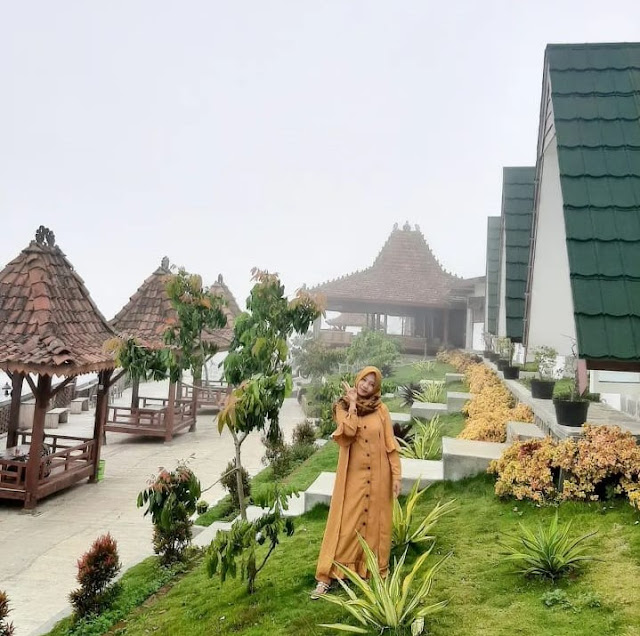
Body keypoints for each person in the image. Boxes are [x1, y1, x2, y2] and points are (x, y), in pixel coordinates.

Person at [311, 365, 401, 599]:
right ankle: (328, 574)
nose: (367, 386)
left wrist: (396, 475)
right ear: (357, 379)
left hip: (380, 476)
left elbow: (390, 444)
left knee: (374, 523)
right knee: (346, 522)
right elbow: (348, 433)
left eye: (372, 384)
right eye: (364, 381)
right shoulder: (341, 407)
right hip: (353, 477)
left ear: (376, 388)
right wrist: (352, 404)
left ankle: (368, 569)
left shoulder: (381, 409)